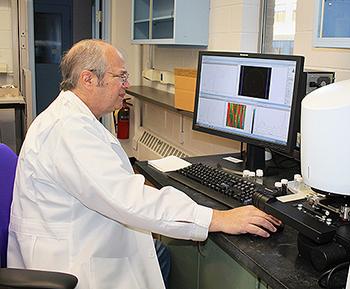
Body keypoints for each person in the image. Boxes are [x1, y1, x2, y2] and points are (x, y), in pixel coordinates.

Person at [7, 39, 281, 289]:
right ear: (88, 79)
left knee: (159, 255)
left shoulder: (76, 118)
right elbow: (128, 199)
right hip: (74, 264)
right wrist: (218, 218)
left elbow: (110, 184)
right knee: (160, 255)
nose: (126, 84)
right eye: (121, 76)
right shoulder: (67, 129)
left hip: (87, 237)